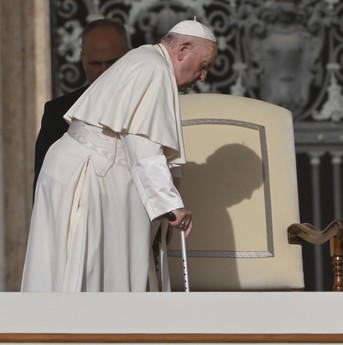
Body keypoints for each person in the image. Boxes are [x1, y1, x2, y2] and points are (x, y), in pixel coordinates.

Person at [21, 19, 218, 292]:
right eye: (203, 66)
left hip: (75, 171)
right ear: (183, 49)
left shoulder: (144, 58)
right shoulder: (155, 68)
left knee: (65, 274)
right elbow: (143, 145)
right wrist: (170, 205)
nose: (203, 76)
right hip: (91, 180)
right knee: (90, 275)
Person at [33, 18, 130, 197]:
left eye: (111, 63)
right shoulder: (58, 113)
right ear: (82, 60)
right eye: (96, 64)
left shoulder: (146, 105)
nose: (104, 71)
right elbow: (44, 186)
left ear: (128, 57)